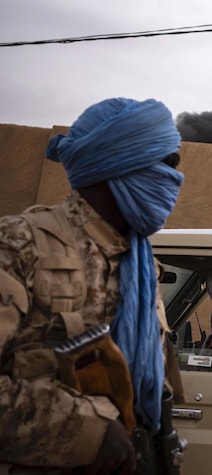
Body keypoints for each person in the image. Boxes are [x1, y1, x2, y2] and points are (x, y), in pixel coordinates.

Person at [0, 98, 185, 474]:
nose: (173, 180)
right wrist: (85, 431)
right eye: (163, 165)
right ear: (115, 165)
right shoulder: (20, 245)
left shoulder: (142, 263)